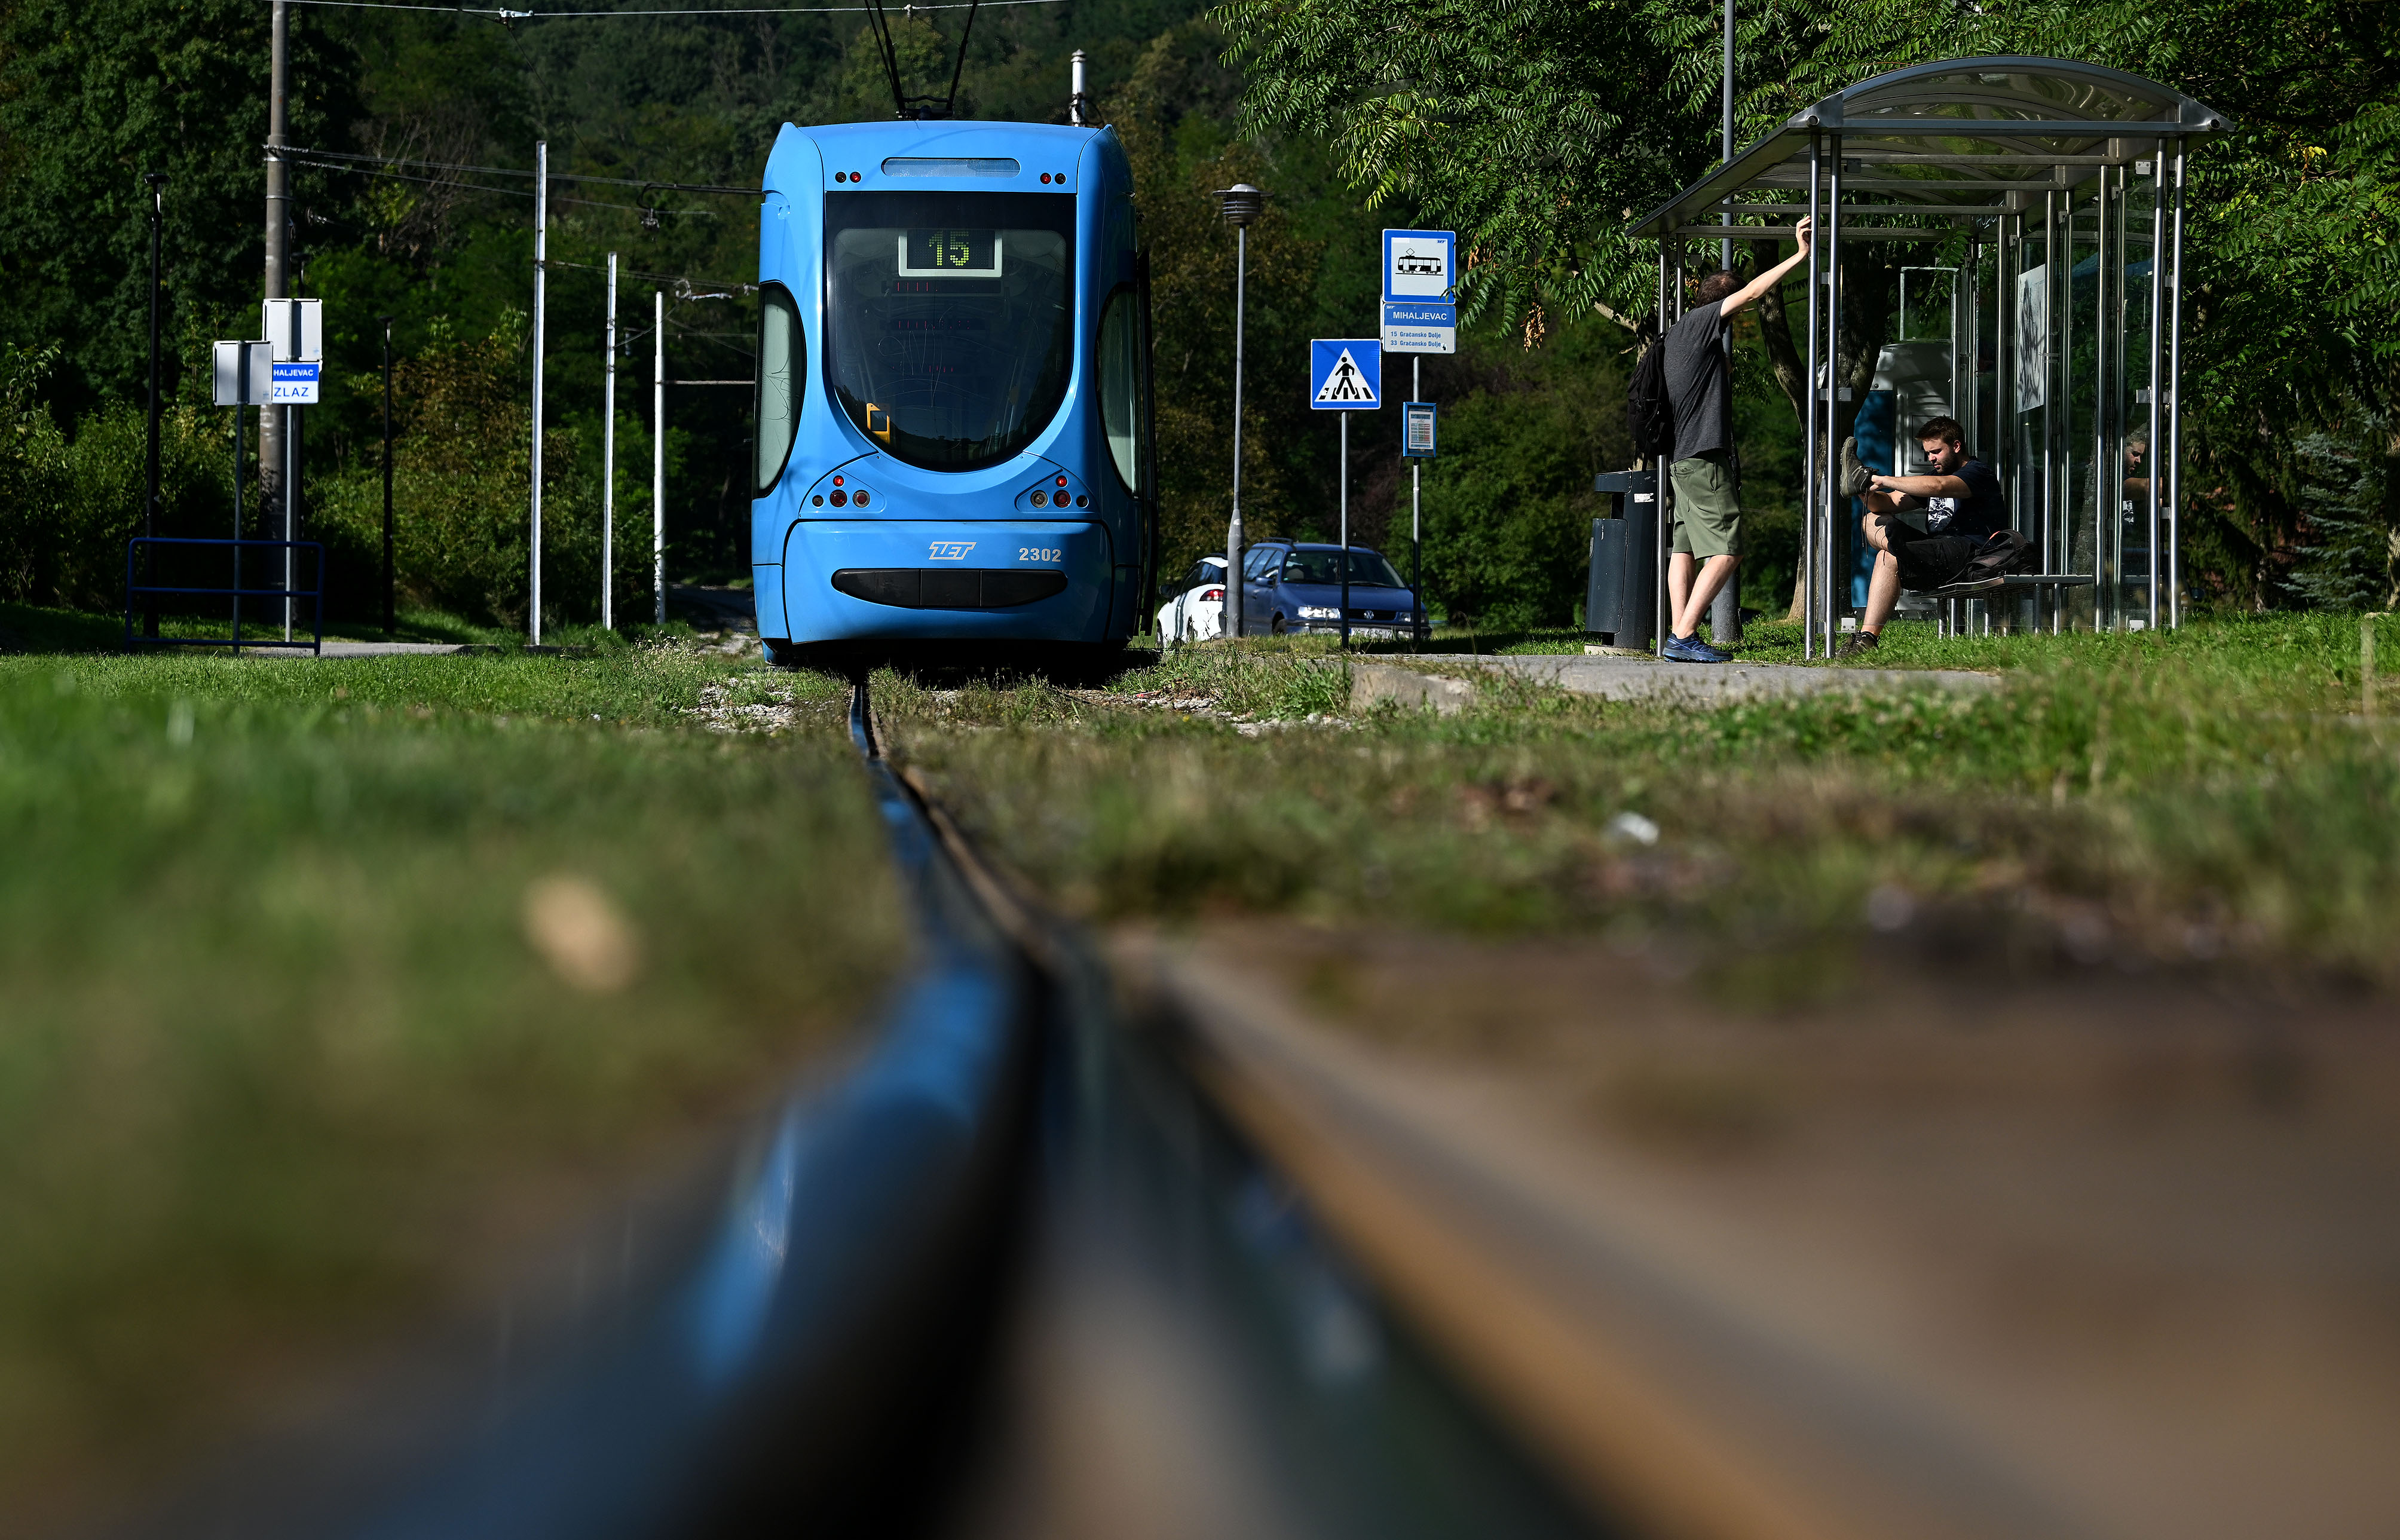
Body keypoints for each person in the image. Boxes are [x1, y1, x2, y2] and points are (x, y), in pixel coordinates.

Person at [1658, 217, 1814, 663]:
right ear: (1723, 306)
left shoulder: (1682, 335)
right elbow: (1749, 293)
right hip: (1704, 461)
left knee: (1683, 548)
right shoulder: (1703, 322)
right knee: (1729, 548)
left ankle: (1677, 630)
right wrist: (1800, 256)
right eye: (1737, 311)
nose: (1741, 316)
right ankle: (1685, 634)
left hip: (1684, 462)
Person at [1833, 416, 2009, 659]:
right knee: (1871, 522)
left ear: (1956, 446)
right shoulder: (1933, 475)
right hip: (1936, 556)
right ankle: (1867, 640)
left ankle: (1896, 552)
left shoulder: (1978, 473)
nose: (1931, 458)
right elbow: (1888, 502)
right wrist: (1861, 489)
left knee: (1889, 555)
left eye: (1936, 452)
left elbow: (1938, 486)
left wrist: (1880, 479)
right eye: (1927, 453)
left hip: (1969, 555)